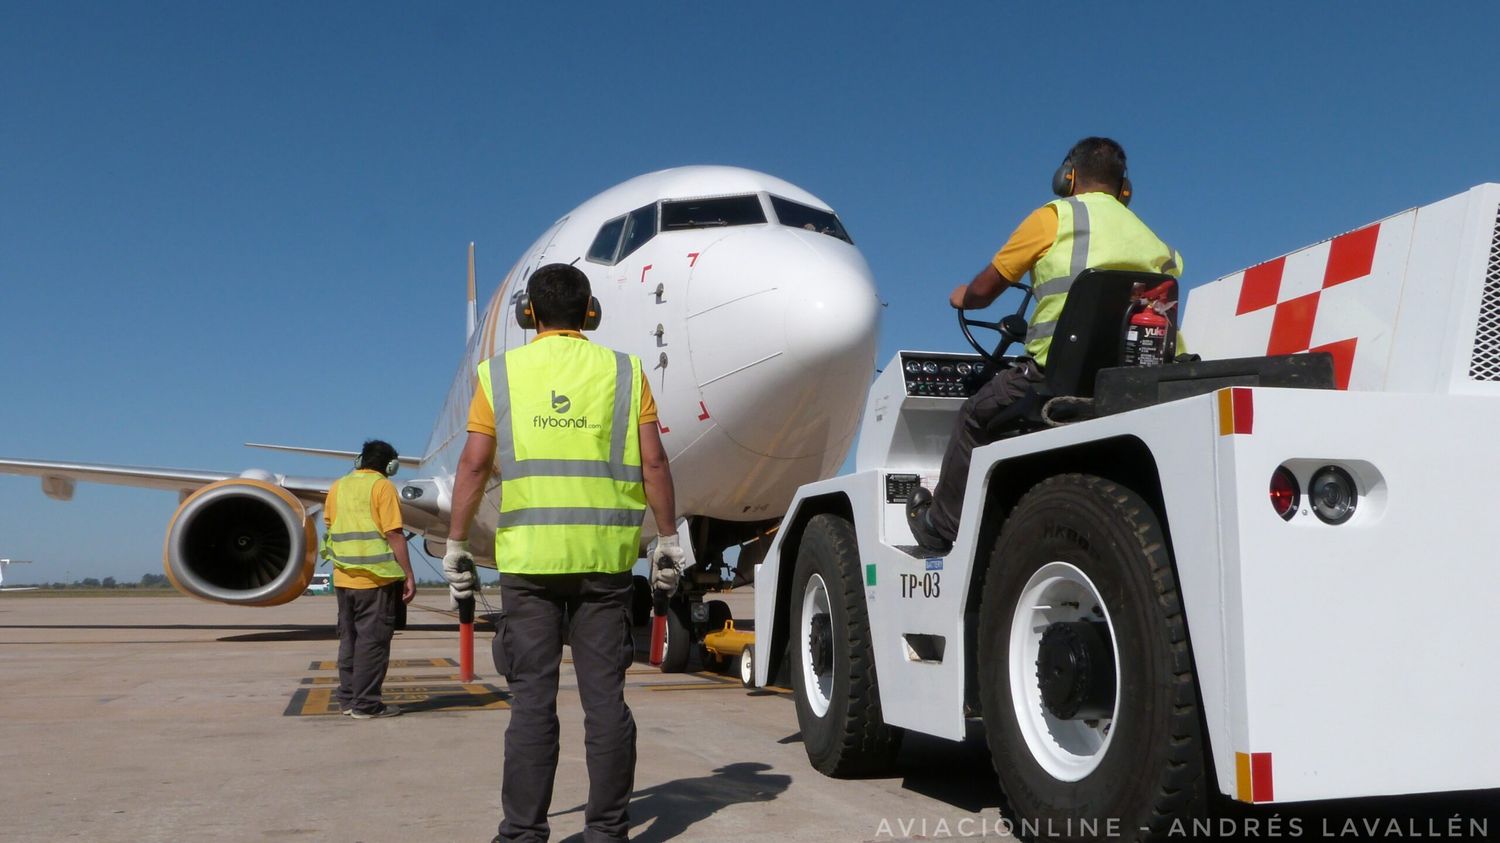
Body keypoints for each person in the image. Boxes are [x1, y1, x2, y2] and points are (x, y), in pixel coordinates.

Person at [442, 263, 685, 843]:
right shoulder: (626, 372)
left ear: (528, 314)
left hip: (528, 566)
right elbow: (654, 462)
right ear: (591, 313)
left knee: (532, 704)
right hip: (605, 565)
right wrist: (669, 537)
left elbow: (474, 464)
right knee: (606, 704)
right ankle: (606, 831)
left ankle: (523, 833)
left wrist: (455, 544)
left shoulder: (498, 374)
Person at [907, 137, 1184, 553]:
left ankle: (940, 526)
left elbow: (986, 289)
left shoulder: (1053, 218)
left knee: (973, 416)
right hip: (1138, 379)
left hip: (1056, 378)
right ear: (1124, 188)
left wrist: (964, 296)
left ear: (1067, 177)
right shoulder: (1156, 242)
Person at [323, 439, 416, 719]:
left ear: (359, 460)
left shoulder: (338, 485)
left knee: (349, 641)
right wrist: (408, 574)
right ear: (391, 466)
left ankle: (349, 700)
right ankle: (367, 705)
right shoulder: (382, 486)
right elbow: (394, 533)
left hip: (343, 578)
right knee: (372, 643)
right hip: (375, 581)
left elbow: (329, 525)